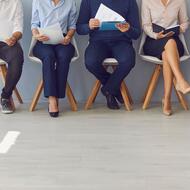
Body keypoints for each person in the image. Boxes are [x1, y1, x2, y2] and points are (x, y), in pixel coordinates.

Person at [77, 0, 141, 110]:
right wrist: (89, 26)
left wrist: (128, 29)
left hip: (121, 42)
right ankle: (113, 88)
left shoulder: (130, 1)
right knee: (90, 62)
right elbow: (79, 28)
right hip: (98, 42)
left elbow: (136, 33)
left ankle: (108, 89)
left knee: (128, 60)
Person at [142, 0, 190, 116]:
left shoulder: (180, 1)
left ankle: (167, 98)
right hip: (154, 40)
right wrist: (155, 35)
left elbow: (185, 22)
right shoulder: (147, 1)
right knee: (168, 46)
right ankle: (180, 80)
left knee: (167, 49)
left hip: (173, 40)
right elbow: (145, 25)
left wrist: (178, 29)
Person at [31, 0, 77, 118]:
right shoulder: (38, 1)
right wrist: (36, 35)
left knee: (64, 56)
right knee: (49, 56)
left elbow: (72, 26)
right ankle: (52, 99)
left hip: (62, 40)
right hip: (43, 40)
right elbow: (34, 24)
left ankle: (58, 96)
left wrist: (68, 37)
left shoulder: (70, 3)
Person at [0, 0, 24, 114]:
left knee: (17, 57)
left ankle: (5, 96)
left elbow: (18, 27)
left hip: (7, 42)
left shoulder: (15, 2)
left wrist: (14, 37)